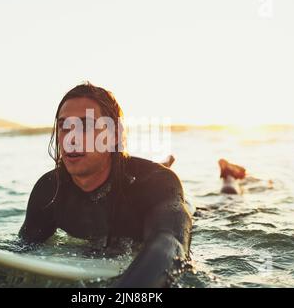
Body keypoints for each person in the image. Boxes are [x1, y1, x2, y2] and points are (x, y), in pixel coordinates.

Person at [19, 82, 192, 287]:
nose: (70, 139)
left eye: (86, 125)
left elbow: (170, 244)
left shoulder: (154, 184)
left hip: (173, 208)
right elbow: (23, 250)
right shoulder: (49, 190)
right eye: (64, 126)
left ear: (115, 135)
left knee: (226, 193)